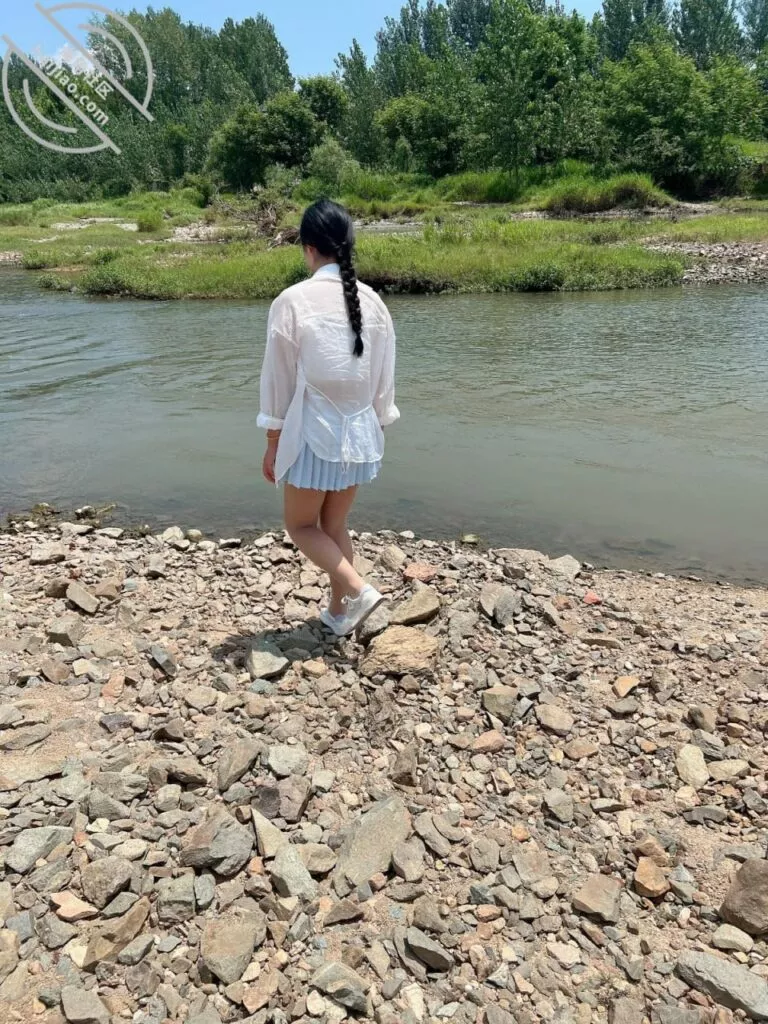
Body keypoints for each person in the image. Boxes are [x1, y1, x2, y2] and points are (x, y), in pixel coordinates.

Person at [258, 199, 399, 637]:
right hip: (360, 436)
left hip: (313, 435)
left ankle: (358, 590)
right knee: (334, 525)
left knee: (301, 526)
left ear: (308, 247)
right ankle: (339, 613)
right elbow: (383, 382)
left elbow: (277, 382)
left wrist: (272, 441)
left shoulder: (292, 301)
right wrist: (377, 426)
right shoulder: (374, 302)